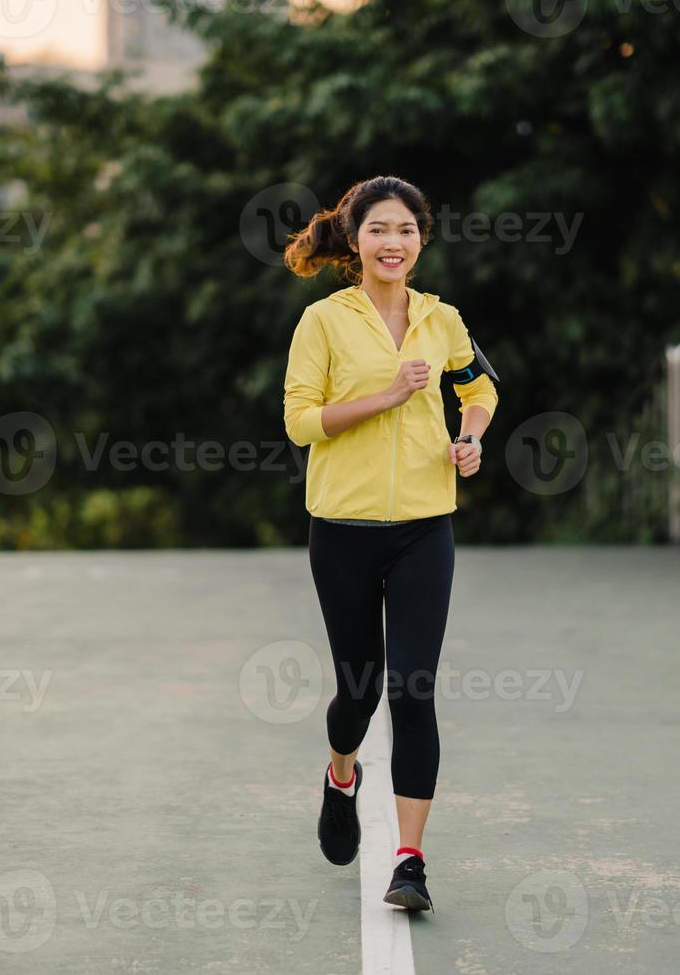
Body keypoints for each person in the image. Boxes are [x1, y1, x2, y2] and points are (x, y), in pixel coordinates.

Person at [280, 175, 500, 912]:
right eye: (378, 229)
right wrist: (389, 396)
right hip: (341, 530)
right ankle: (341, 771)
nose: (393, 242)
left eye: (404, 229)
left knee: (412, 688)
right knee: (358, 690)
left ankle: (410, 861)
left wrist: (468, 438)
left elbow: (479, 390)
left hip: (423, 528)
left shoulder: (443, 321)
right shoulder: (323, 321)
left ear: (420, 239)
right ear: (353, 239)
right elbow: (301, 423)